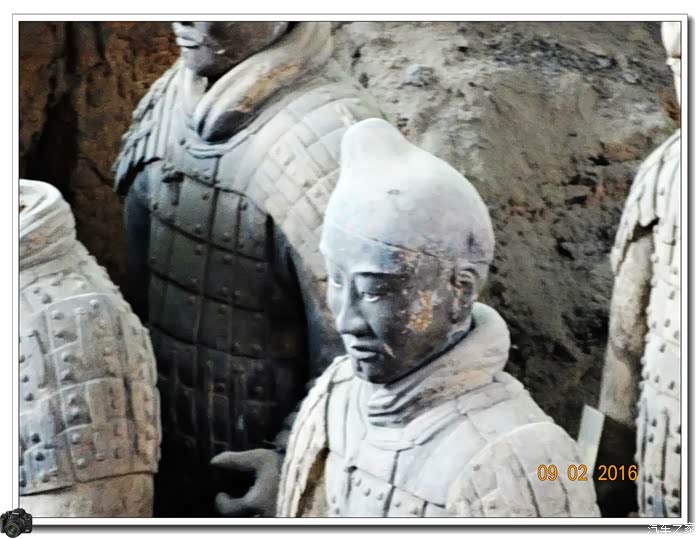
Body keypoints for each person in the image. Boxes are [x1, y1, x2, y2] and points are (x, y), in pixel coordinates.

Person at [113, 21, 383, 516]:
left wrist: (294, 459)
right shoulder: (172, 94)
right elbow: (138, 288)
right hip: (160, 446)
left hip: (252, 477)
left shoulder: (331, 142)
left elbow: (362, 358)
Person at [277, 118, 600, 517]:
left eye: (375, 291)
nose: (346, 321)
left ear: (460, 289)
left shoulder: (524, 460)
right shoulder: (335, 398)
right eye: (338, 282)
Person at [595, 21, 681, 518]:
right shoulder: (665, 174)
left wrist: (603, 495)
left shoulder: (668, 170)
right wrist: (604, 493)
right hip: (666, 475)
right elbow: (623, 354)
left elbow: (622, 356)